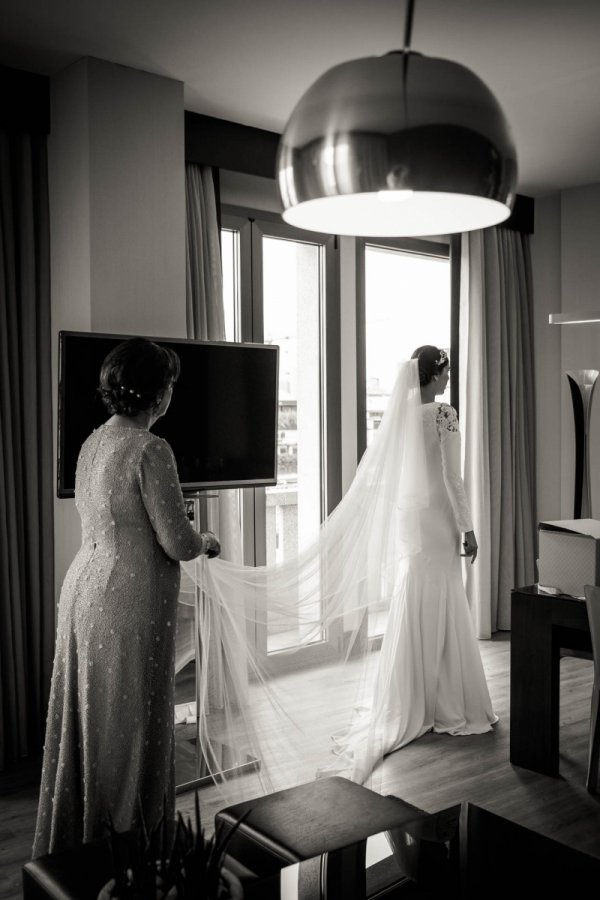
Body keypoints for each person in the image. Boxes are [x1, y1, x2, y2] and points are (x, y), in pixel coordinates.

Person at [177, 348, 496, 792]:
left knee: (416, 593)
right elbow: (452, 477)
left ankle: (412, 695)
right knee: (441, 591)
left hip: (412, 520)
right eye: (444, 372)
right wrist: (468, 527)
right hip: (438, 518)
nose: (446, 380)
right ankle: (447, 698)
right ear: (435, 374)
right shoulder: (443, 413)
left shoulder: (402, 414)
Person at [33, 337, 220, 858]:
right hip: (130, 601)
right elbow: (177, 543)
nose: (170, 396)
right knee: (134, 723)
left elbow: (116, 517)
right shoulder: (150, 448)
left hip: (84, 590)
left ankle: (83, 844)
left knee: (93, 719)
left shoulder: (93, 442)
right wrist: (204, 538)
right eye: (170, 386)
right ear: (158, 394)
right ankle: (131, 854)